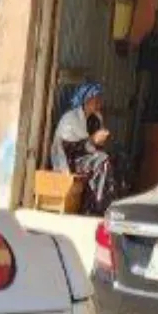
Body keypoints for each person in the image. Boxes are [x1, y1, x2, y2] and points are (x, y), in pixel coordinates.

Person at [51, 82, 116, 215]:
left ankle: (99, 204)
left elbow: (97, 146)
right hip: (68, 160)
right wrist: (92, 140)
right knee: (102, 161)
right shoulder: (70, 118)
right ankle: (97, 207)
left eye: (99, 99)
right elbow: (70, 148)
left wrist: (100, 125)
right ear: (86, 100)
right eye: (95, 99)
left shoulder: (93, 119)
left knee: (112, 158)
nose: (98, 103)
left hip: (83, 158)